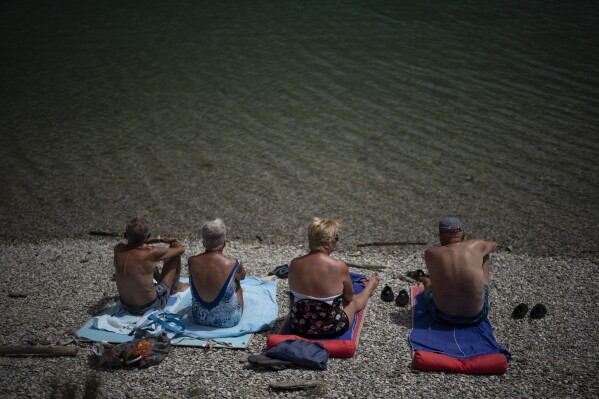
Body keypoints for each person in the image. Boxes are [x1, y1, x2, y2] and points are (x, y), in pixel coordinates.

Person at [288, 218, 380, 338]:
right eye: (336, 238)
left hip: (298, 326)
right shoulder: (338, 266)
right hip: (331, 328)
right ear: (326, 243)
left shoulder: (295, 263)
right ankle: (371, 286)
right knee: (353, 302)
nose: (337, 242)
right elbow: (349, 296)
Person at [414, 217, 496, 325]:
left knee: (429, 283)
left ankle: (424, 280)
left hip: (442, 316)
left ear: (440, 235)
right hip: (476, 316)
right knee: (484, 254)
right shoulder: (477, 245)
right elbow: (493, 244)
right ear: (463, 234)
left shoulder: (431, 253)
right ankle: (483, 286)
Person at [114, 218, 188, 315]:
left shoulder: (118, 249)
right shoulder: (151, 252)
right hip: (150, 307)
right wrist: (161, 239)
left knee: (145, 265)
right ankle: (174, 288)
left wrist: (145, 240)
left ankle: (167, 285)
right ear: (148, 237)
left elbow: (135, 247)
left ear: (125, 236)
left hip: (126, 306)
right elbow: (180, 249)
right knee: (174, 253)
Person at [188, 219, 246, 328]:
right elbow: (242, 276)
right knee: (237, 282)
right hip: (229, 321)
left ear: (203, 243)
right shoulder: (233, 263)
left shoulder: (192, 261)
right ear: (224, 243)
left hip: (199, 318)